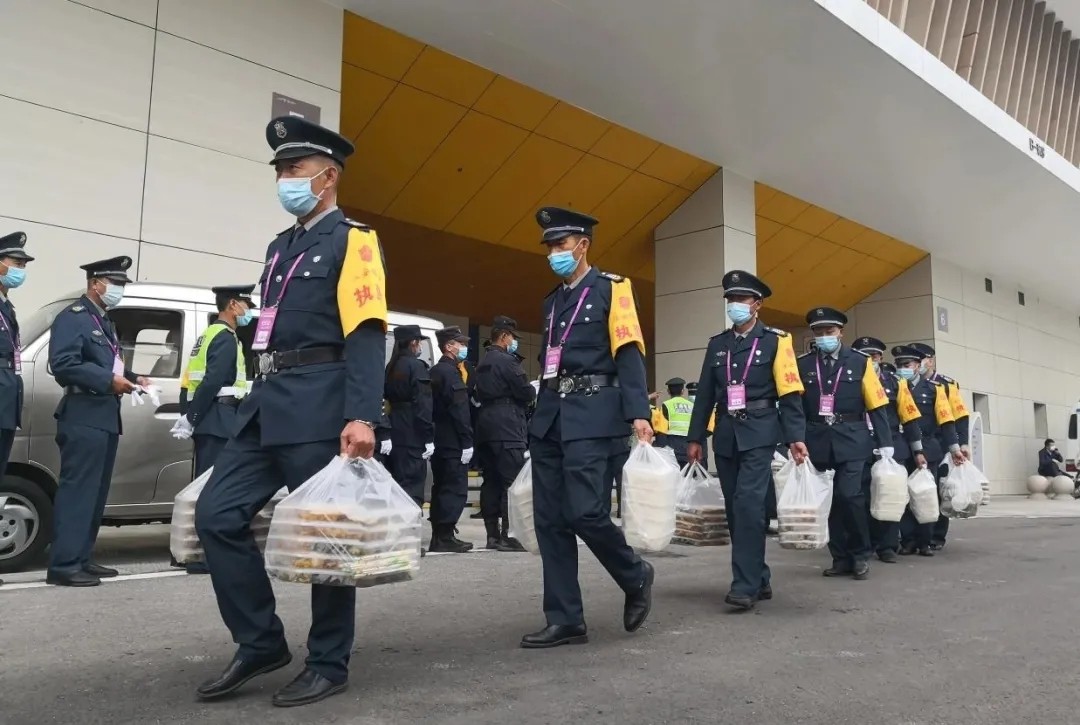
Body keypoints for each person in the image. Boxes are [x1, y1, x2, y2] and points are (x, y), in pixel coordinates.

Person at [194, 116, 386, 707]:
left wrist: (362, 415)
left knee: (326, 537)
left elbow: (366, 332)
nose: (284, 179)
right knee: (216, 514)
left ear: (328, 177)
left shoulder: (354, 240)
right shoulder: (280, 247)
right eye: (279, 169)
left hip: (320, 405)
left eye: (294, 168)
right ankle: (260, 641)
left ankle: (328, 661)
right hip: (267, 404)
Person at [524, 206, 655, 648]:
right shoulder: (551, 301)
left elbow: (629, 351)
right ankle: (565, 618)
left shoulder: (612, 289)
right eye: (549, 247)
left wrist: (638, 412)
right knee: (550, 521)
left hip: (594, 414)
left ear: (582, 245)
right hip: (551, 417)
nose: (553, 254)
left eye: (560, 245)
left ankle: (635, 574)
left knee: (585, 512)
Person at [687, 270, 807, 610]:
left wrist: (795, 437)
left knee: (749, 504)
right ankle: (760, 576)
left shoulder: (776, 341)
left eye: (741, 299)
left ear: (757, 304)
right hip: (726, 433)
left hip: (760, 430)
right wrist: (696, 438)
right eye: (730, 299)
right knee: (735, 508)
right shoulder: (718, 344)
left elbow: (790, 392)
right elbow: (705, 395)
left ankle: (744, 584)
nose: (735, 305)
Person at [47, 255, 150, 587]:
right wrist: (108, 381)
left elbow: (111, 365)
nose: (119, 289)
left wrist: (134, 377)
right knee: (78, 492)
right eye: (115, 283)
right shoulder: (73, 318)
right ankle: (64, 565)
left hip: (104, 415)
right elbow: (64, 364)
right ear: (95, 283)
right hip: (83, 413)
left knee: (94, 494)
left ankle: (81, 558)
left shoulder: (103, 321)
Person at [797, 308, 893, 581]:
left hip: (852, 438)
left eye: (829, 331)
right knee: (829, 501)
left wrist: (885, 443)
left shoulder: (860, 361)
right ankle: (839, 557)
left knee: (850, 495)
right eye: (819, 332)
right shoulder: (803, 364)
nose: (824, 336)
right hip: (817, 438)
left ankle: (861, 554)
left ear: (841, 332)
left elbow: (877, 404)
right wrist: (792, 439)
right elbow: (795, 407)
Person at [852, 336, 925, 563]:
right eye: (865, 356)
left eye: (873, 356)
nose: (870, 360)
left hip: (892, 446)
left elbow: (909, 417)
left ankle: (887, 546)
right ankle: (864, 544)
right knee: (861, 498)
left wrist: (918, 451)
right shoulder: (850, 379)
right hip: (860, 445)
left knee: (889, 497)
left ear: (880, 358)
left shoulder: (896, 382)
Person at [175, 285, 256, 477]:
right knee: (211, 481)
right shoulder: (225, 338)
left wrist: (189, 415)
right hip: (219, 420)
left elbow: (189, 380)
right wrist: (191, 417)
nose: (248, 311)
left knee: (205, 479)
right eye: (246, 305)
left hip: (210, 420)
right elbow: (212, 381)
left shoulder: (208, 334)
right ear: (233, 304)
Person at [470, 315, 534, 550]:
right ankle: (509, 535)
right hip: (507, 425)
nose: (513, 342)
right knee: (511, 481)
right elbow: (525, 392)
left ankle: (492, 535)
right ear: (504, 336)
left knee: (490, 481)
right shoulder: (507, 361)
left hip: (486, 424)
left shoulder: (483, 362)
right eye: (512, 337)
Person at [893, 345, 964, 557]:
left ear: (917, 365)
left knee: (926, 495)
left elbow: (947, 421)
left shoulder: (935, 389)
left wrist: (955, 448)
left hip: (928, 448)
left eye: (907, 364)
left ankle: (925, 541)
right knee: (904, 496)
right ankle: (908, 540)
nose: (902, 368)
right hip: (901, 447)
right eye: (899, 365)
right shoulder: (893, 386)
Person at [910, 342, 969, 551]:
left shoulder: (946, 384)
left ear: (930, 361)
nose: (917, 364)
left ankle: (936, 535)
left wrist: (962, 443)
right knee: (917, 489)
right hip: (916, 441)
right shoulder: (906, 384)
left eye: (921, 359)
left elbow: (959, 416)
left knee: (939, 490)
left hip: (941, 442)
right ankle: (913, 536)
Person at [0, 232, 33, 588]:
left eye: (23, 264)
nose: (20, 269)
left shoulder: (6, 307)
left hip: (6, 403)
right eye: (15, 262)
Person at [428, 326, 475, 553]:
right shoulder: (449, 372)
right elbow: (459, 410)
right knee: (454, 488)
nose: (463, 347)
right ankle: (444, 536)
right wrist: (467, 441)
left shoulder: (436, 371)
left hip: (439, 438)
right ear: (449, 346)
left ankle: (439, 535)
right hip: (453, 440)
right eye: (460, 343)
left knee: (440, 487)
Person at [385, 325, 434, 509]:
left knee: (397, 484)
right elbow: (423, 405)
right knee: (412, 486)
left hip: (394, 430)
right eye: (419, 342)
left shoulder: (391, 367)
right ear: (413, 342)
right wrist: (428, 437)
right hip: (413, 432)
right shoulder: (416, 366)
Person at [661, 377, 693, 467]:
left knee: (674, 467)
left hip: (673, 441)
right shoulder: (691, 405)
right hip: (689, 441)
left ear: (668, 391)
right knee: (688, 469)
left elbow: (662, 426)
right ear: (683, 391)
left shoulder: (666, 404)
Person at [685, 381, 713, 464]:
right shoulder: (705, 407)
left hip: (684, 444)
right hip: (701, 442)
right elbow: (710, 429)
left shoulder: (684, 405)